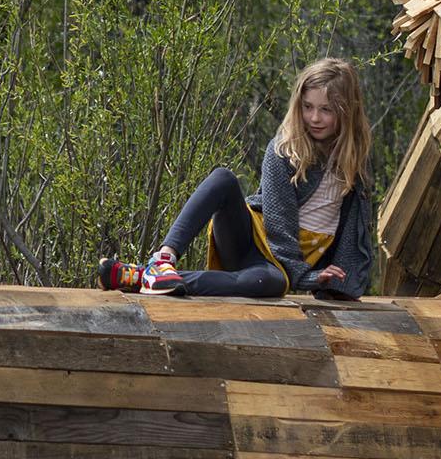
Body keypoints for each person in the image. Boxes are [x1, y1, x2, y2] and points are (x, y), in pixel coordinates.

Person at [106, 59, 374, 300]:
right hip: (252, 240)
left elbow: (354, 231)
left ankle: (142, 277)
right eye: (308, 107)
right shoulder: (284, 150)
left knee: (269, 283)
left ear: (347, 111)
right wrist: (306, 278)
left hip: (272, 269)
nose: (314, 118)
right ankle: (163, 259)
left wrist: (343, 282)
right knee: (223, 179)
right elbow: (279, 226)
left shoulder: (354, 160)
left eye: (326, 110)